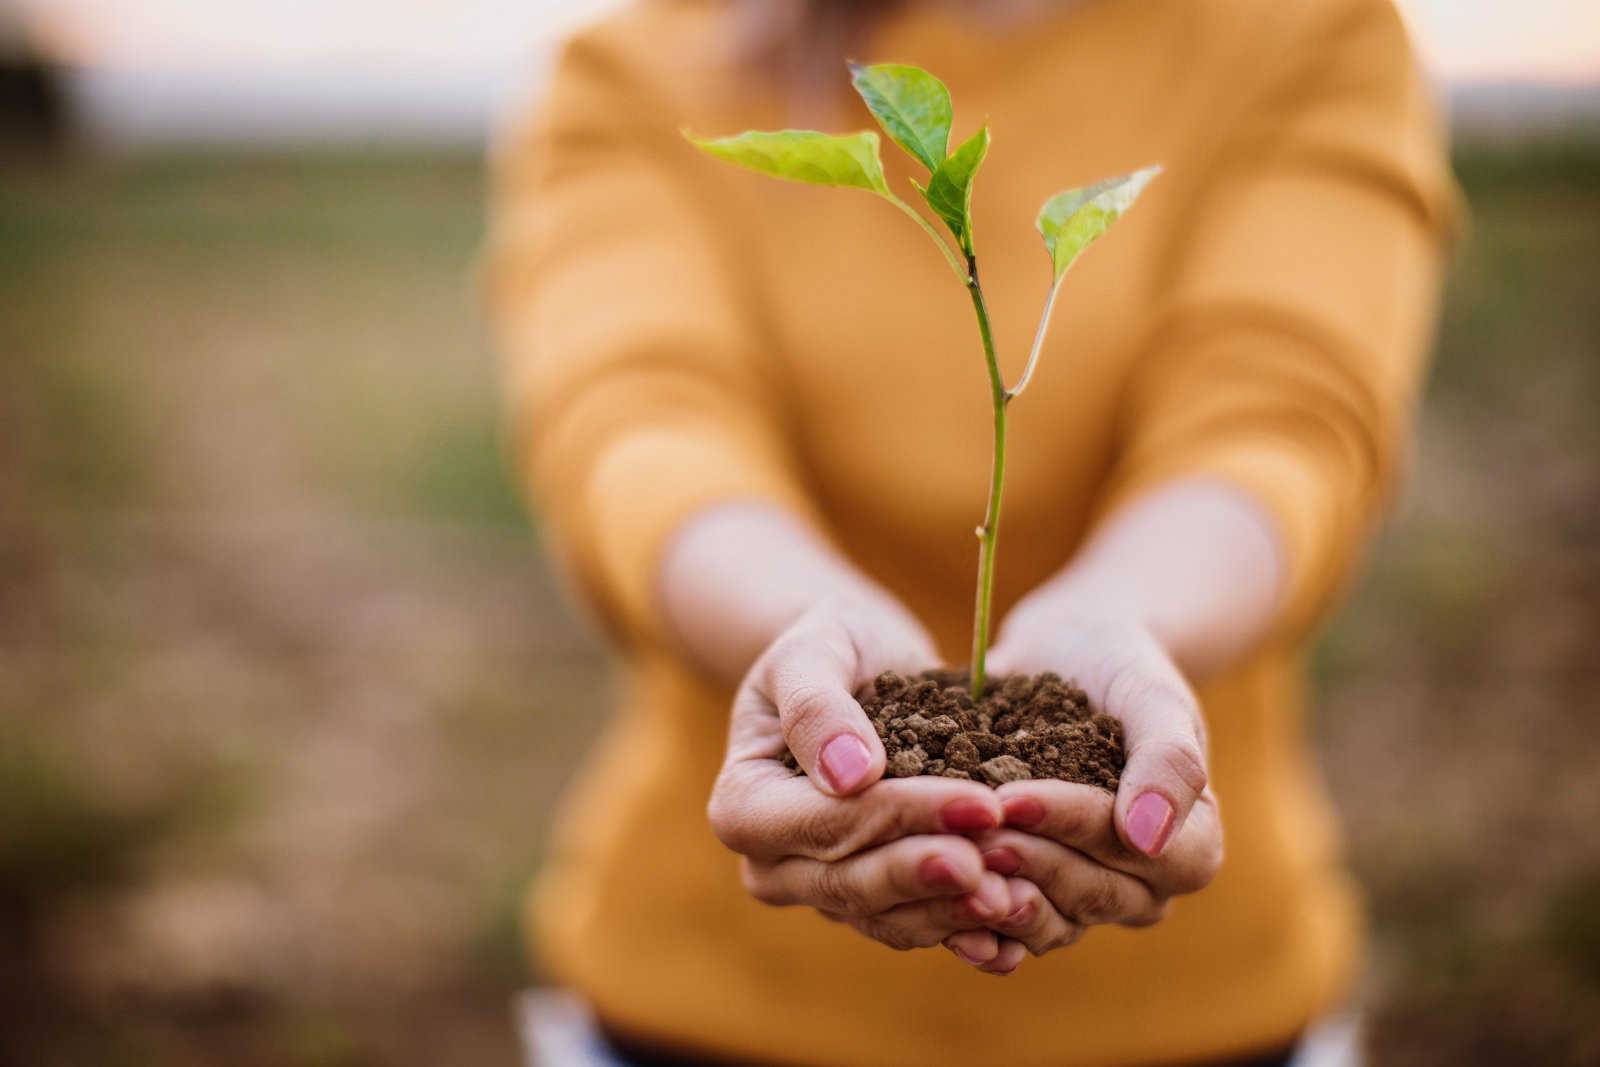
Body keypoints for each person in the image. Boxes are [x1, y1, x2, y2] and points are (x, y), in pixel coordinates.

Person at [486, 0, 1456, 1063]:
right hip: (708, 999)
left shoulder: (1307, 31)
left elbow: (1282, 415)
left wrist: (1123, 616)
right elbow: (640, 421)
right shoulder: (642, 66)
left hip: (1194, 1010)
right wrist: (805, 634)